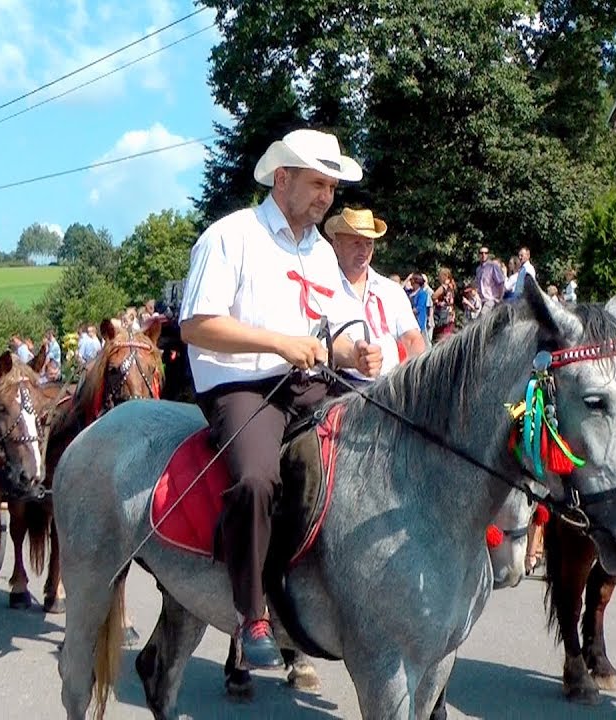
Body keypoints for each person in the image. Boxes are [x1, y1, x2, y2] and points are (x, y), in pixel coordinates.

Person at [179, 128, 382, 668]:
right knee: (255, 479)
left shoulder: (320, 252)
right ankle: (251, 613)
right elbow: (197, 326)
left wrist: (355, 354)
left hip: (310, 383)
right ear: (282, 178)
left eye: (331, 188)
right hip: (242, 386)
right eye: (317, 184)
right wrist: (278, 342)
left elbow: (333, 335)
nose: (326, 197)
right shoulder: (231, 236)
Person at [324, 206, 425, 385]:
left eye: (368, 243)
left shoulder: (391, 291)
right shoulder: (324, 289)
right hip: (342, 386)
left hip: (391, 387)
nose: (363, 250)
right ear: (336, 245)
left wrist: (415, 380)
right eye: (355, 243)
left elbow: (412, 340)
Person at [474, 246, 505, 313]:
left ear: (488, 254)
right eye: (481, 253)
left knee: (483, 316)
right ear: (478, 255)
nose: (483, 255)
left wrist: (500, 299)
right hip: (482, 301)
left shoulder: (493, 266)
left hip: (491, 299)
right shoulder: (478, 269)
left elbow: (501, 282)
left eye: (486, 253)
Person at [431, 267, 457, 342]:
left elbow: (434, 296)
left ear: (444, 276)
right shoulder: (452, 285)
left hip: (443, 313)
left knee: (442, 335)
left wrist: (437, 302)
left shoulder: (444, 286)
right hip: (450, 312)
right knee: (448, 333)